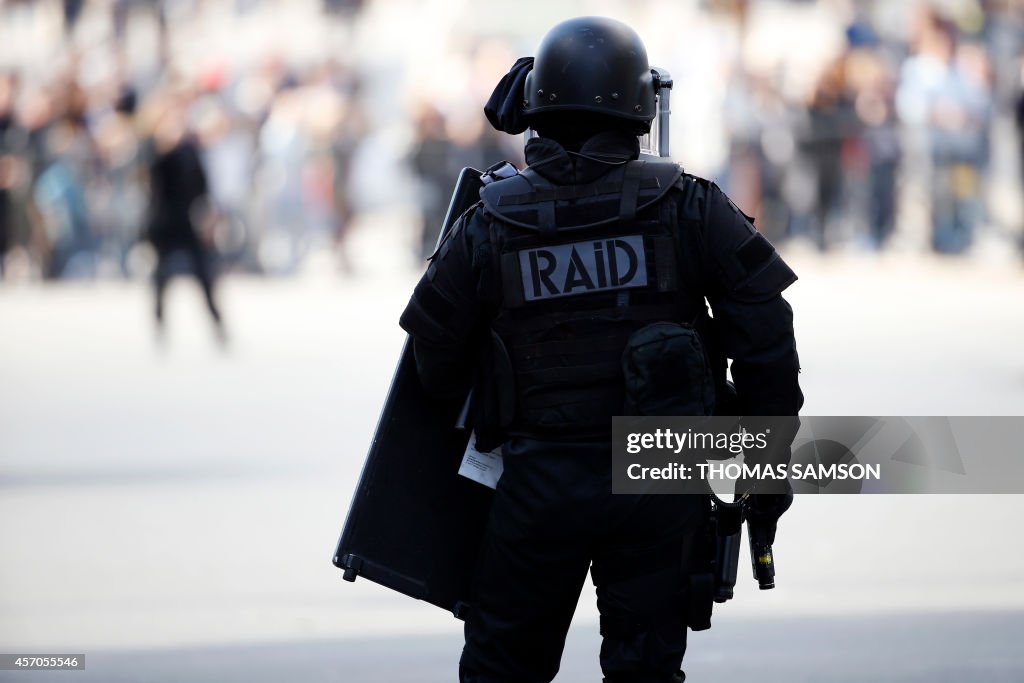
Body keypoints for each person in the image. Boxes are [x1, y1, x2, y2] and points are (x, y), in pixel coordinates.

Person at [399, 17, 802, 683]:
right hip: (658, 478)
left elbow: (433, 362)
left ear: (536, 106)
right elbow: (767, 346)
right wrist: (762, 475)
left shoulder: (487, 224)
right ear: (641, 108)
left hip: (536, 482)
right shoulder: (693, 208)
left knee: (503, 670)